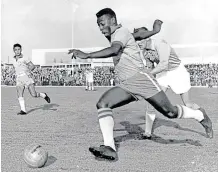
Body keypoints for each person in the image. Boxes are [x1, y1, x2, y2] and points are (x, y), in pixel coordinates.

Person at [68, 8, 213, 161]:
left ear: (112, 21)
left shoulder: (120, 32)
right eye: (98, 25)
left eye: (102, 23)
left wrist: (87, 55)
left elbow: (114, 49)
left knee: (170, 112)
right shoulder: (119, 33)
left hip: (141, 80)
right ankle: (109, 147)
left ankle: (200, 115)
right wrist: (154, 30)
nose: (100, 28)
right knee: (103, 103)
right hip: (126, 84)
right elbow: (138, 35)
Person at [134, 27, 203, 138]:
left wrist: (148, 75)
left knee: (188, 103)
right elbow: (150, 67)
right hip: (163, 74)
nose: (138, 43)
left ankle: (203, 118)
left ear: (147, 37)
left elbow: (163, 64)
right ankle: (147, 133)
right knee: (152, 101)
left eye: (140, 39)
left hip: (176, 71)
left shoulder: (160, 44)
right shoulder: (145, 52)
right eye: (136, 40)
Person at [12, 43, 51, 115]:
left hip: (26, 78)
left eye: (19, 49)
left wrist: (28, 71)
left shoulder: (25, 58)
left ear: (21, 50)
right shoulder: (13, 60)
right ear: (13, 50)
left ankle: (43, 95)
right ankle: (23, 110)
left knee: (34, 94)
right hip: (19, 78)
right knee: (19, 94)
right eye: (16, 50)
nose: (17, 51)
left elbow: (32, 66)